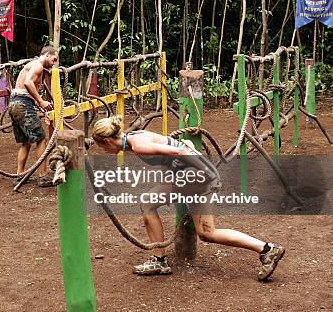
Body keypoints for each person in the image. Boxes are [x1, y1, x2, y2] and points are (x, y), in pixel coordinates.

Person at [91, 115, 285, 281]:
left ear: (107, 141)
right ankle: (266, 249)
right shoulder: (134, 136)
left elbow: (180, 151)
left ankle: (159, 260)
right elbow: (177, 145)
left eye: (101, 147)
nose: (103, 151)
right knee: (196, 227)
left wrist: (210, 173)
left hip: (195, 178)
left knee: (159, 208)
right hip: (189, 176)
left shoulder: (139, 146)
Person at [8, 46, 59, 187]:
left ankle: (20, 175)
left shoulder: (32, 65)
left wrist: (39, 103)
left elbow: (25, 89)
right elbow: (27, 83)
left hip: (14, 104)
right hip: (22, 105)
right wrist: (41, 101)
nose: (54, 63)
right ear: (47, 55)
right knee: (41, 139)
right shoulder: (38, 66)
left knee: (26, 141)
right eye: (54, 59)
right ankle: (43, 176)